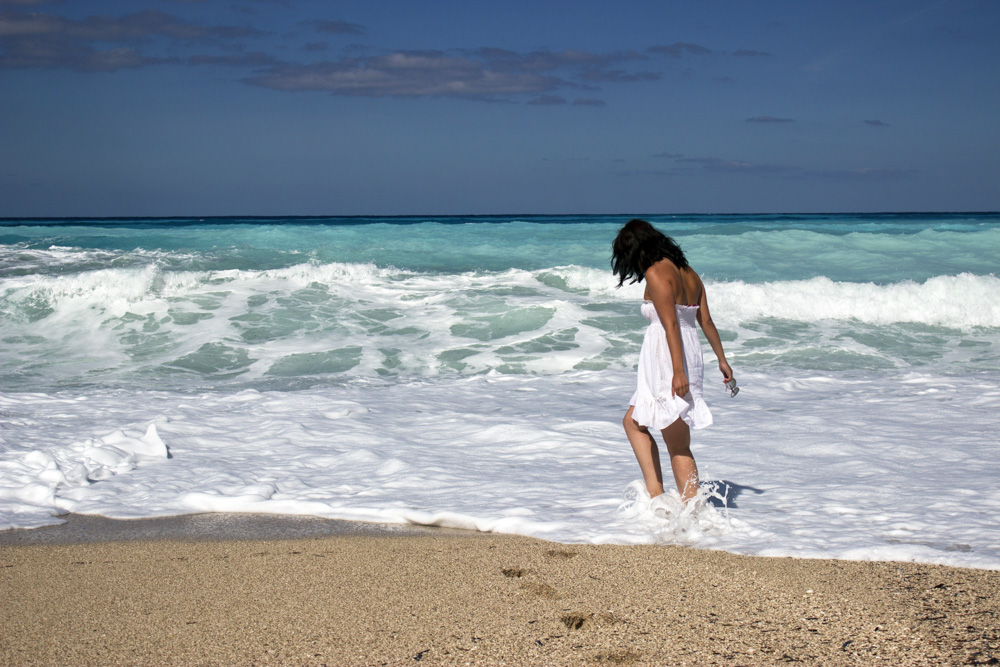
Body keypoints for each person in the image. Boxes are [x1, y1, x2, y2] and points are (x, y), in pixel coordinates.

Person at [611, 219, 734, 503]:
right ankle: (661, 499)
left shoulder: (656, 273)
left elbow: (670, 326)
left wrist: (678, 372)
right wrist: (722, 359)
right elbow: (705, 320)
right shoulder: (690, 274)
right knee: (636, 423)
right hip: (688, 352)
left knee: (676, 441)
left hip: (670, 359)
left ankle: (689, 510)